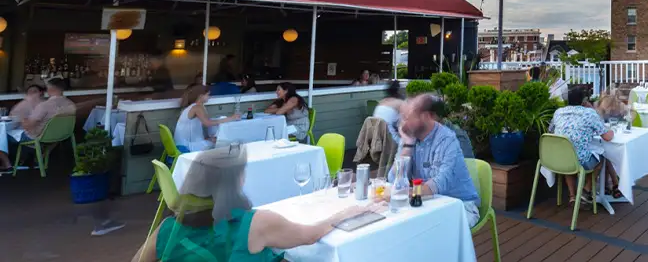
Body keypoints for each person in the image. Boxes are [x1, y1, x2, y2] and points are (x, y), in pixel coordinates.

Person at [132, 146, 385, 262]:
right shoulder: (257, 223)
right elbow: (309, 236)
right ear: (236, 181)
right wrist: (344, 213)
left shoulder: (167, 228)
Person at [388, 94, 481, 226]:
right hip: (427, 203)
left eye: (408, 117)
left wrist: (402, 193)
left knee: (432, 230)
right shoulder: (409, 137)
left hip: (460, 205)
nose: (402, 122)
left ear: (425, 117)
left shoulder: (447, 140)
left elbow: (438, 184)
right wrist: (407, 146)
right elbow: (392, 178)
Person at [550, 87, 617, 204]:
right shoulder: (589, 113)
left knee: (567, 154)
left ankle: (572, 196)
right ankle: (586, 190)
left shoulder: (558, 112)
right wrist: (612, 131)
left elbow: (550, 130)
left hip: (558, 159)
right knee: (602, 157)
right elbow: (607, 137)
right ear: (583, 101)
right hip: (579, 161)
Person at [174, 84, 239, 152]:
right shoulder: (197, 107)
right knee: (221, 142)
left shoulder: (196, 106)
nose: (209, 97)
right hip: (185, 147)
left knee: (215, 140)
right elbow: (208, 123)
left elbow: (207, 122)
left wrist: (208, 138)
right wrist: (231, 118)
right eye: (208, 95)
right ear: (201, 96)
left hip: (183, 144)